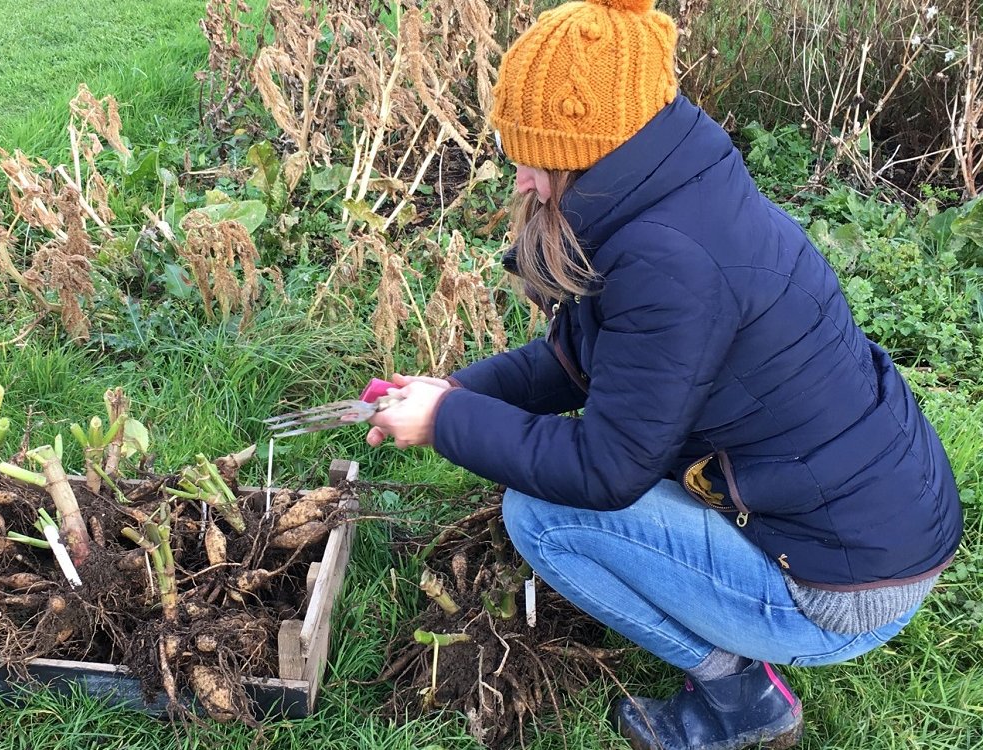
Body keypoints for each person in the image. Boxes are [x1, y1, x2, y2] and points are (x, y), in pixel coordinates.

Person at [363, 0, 965, 748]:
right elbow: (576, 361)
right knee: (562, 486)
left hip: (841, 591)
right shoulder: (675, 194)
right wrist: (458, 393)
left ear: (585, 150)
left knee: (541, 519)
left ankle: (742, 698)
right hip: (880, 525)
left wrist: (445, 426)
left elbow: (605, 470)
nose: (519, 176)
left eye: (530, 154)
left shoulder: (667, 262)